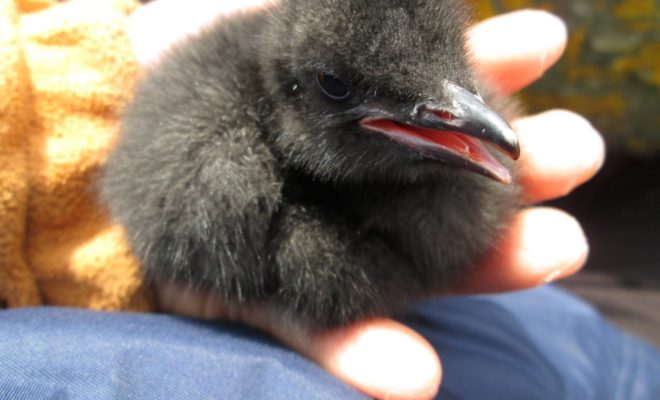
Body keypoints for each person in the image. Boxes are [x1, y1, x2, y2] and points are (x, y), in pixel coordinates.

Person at [2, 1, 658, 399]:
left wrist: (51, 110)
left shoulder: (443, 153)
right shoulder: (211, 167)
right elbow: (184, 222)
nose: (472, 111)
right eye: (341, 87)